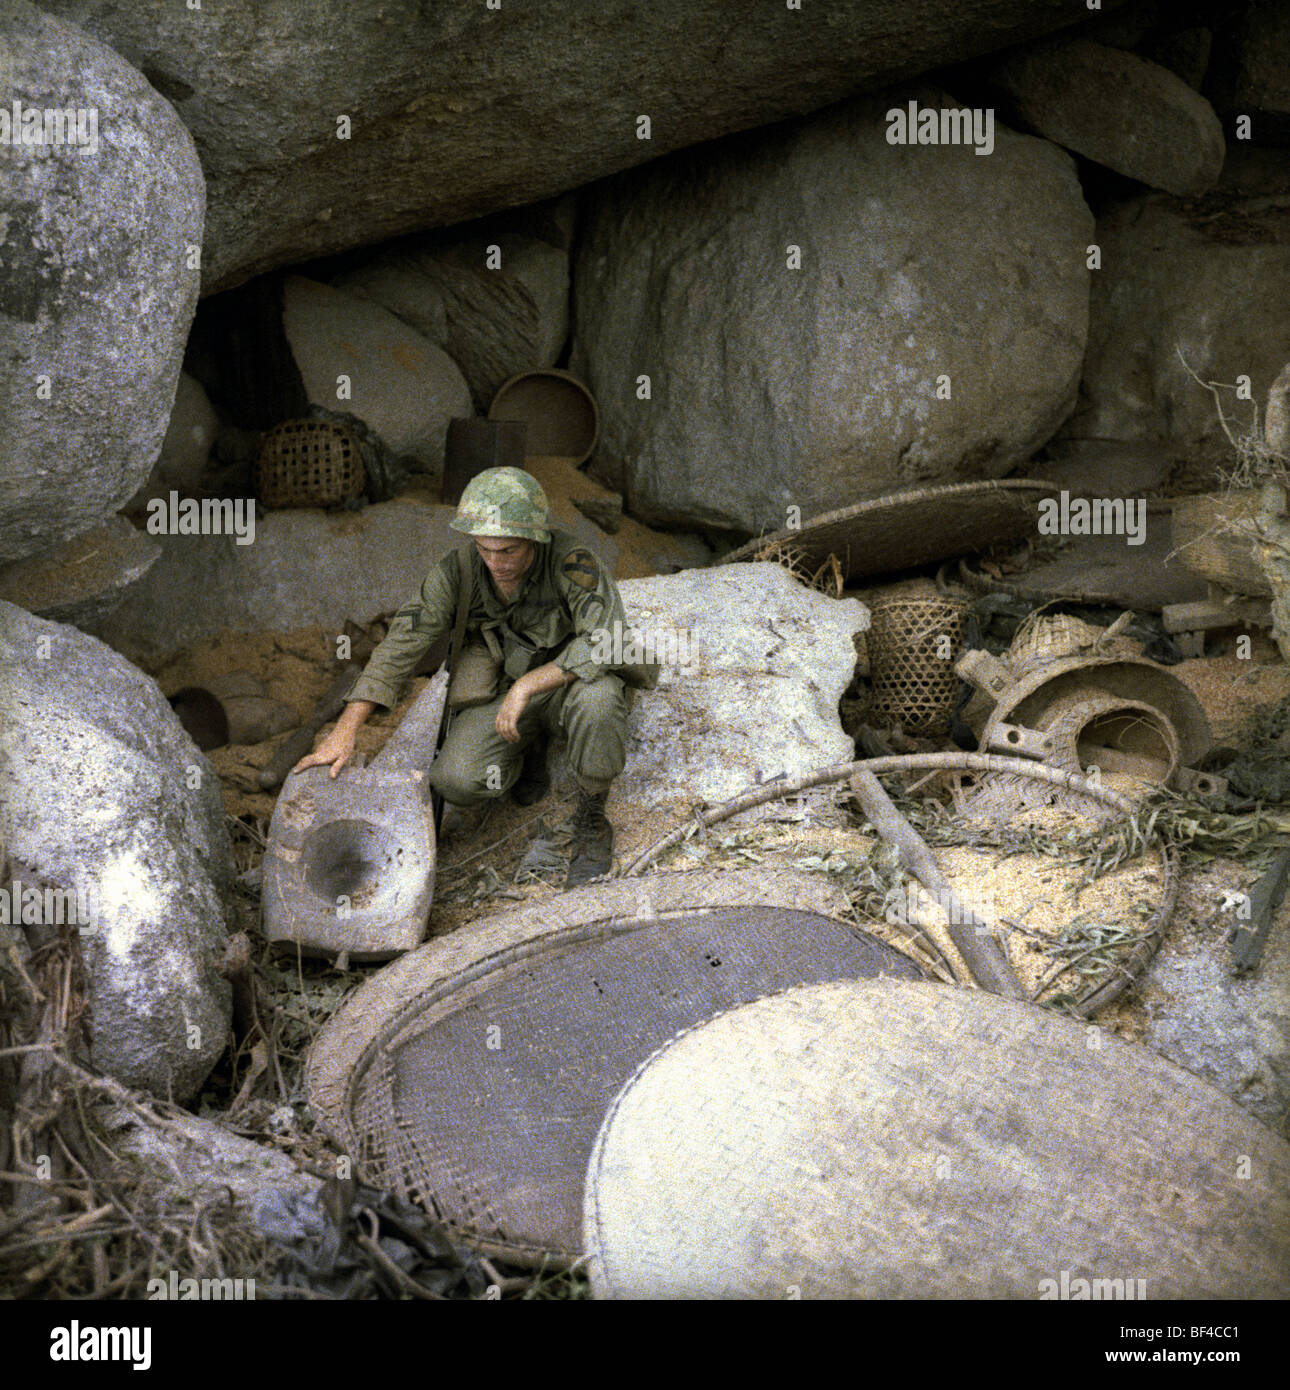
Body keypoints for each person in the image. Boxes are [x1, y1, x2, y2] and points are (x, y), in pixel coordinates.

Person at [293, 466, 646, 886]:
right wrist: (346, 730)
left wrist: (527, 686)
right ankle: (527, 748)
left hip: (567, 686)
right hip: (505, 689)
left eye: (509, 550)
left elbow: (608, 640)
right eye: (485, 549)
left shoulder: (572, 564)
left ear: (535, 538)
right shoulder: (458, 572)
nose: (495, 562)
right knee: (455, 781)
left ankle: (591, 821)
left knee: (601, 700)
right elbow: (401, 644)